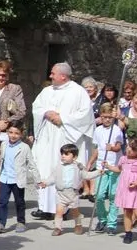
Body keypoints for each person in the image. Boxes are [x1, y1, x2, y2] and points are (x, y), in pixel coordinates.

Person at [30, 63, 95, 221]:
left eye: (53, 74)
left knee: (64, 173)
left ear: (63, 76)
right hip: (47, 138)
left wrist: (62, 118)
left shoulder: (78, 92)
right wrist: (46, 113)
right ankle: (44, 207)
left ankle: (64, 209)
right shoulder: (46, 91)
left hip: (65, 138)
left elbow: (86, 116)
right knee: (45, 169)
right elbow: (36, 107)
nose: (50, 76)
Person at [0, 60, 26, 215]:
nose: (0, 78)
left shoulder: (14, 89)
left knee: (9, 167)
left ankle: (14, 198)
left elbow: (22, 111)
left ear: (8, 76)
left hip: (10, 134)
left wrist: (7, 122)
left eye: (3, 75)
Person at [38, 144, 100, 236]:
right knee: (59, 211)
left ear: (74, 157)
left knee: (74, 211)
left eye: (66, 154)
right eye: (62, 154)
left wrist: (98, 172)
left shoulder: (78, 167)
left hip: (72, 194)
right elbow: (52, 178)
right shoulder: (58, 167)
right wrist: (45, 183)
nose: (63, 156)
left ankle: (78, 224)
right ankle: (58, 228)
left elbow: (87, 175)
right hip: (61, 193)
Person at [0, 120, 40, 233]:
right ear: (7, 132)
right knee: (2, 202)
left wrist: (38, 180)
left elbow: (32, 165)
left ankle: (21, 222)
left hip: (17, 180)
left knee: (19, 202)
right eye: (11, 132)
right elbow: (2, 161)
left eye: (16, 133)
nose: (13, 136)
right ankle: (0, 223)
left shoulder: (24, 148)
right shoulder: (4, 144)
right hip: (5, 178)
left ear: (21, 134)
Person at [104, 137, 137, 244]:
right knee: (127, 211)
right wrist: (108, 166)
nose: (129, 149)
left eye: (133, 149)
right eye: (129, 146)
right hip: (126, 189)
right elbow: (119, 169)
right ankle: (128, 232)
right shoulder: (123, 159)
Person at [89, 103, 125, 235]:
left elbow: (119, 147)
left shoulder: (116, 130)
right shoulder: (97, 131)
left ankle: (111, 223)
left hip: (114, 167)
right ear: (100, 117)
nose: (107, 119)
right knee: (98, 196)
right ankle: (102, 219)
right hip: (101, 166)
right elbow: (97, 149)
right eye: (104, 117)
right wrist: (90, 162)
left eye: (110, 117)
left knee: (113, 195)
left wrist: (112, 148)